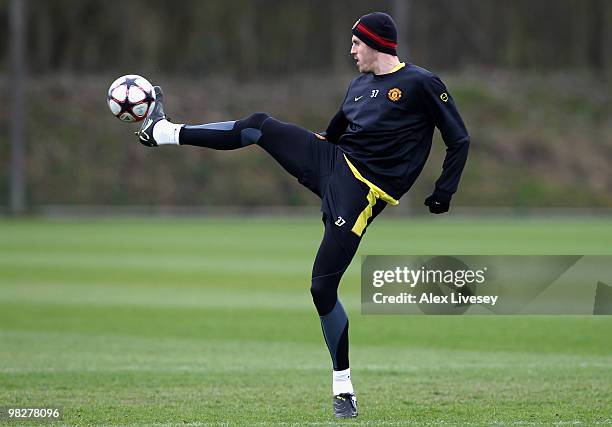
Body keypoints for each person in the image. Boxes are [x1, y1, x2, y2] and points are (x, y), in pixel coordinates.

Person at [136, 11, 469, 418]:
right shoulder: (360, 85)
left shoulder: (421, 83)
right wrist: (311, 143)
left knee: (320, 289)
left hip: (362, 192)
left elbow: (459, 138)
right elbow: (337, 128)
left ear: (376, 43)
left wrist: (444, 191)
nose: (351, 50)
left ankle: (343, 388)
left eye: (356, 43)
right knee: (259, 125)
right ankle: (164, 132)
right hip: (332, 161)